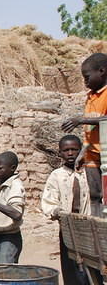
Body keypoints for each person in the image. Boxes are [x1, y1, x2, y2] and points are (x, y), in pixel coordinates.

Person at [41, 135, 96, 285]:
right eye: (66, 150)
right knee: (72, 274)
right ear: (60, 153)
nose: (71, 153)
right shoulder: (57, 176)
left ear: (81, 151)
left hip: (90, 231)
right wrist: (57, 212)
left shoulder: (90, 172)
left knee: (93, 273)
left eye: (74, 149)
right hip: (68, 231)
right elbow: (49, 201)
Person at [62, 53, 107, 216]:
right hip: (92, 154)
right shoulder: (90, 97)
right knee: (95, 195)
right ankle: (98, 229)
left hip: (106, 154)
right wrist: (83, 152)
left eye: (87, 77)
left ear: (101, 71)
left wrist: (80, 120)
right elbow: (89, 131)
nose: (85, 82)